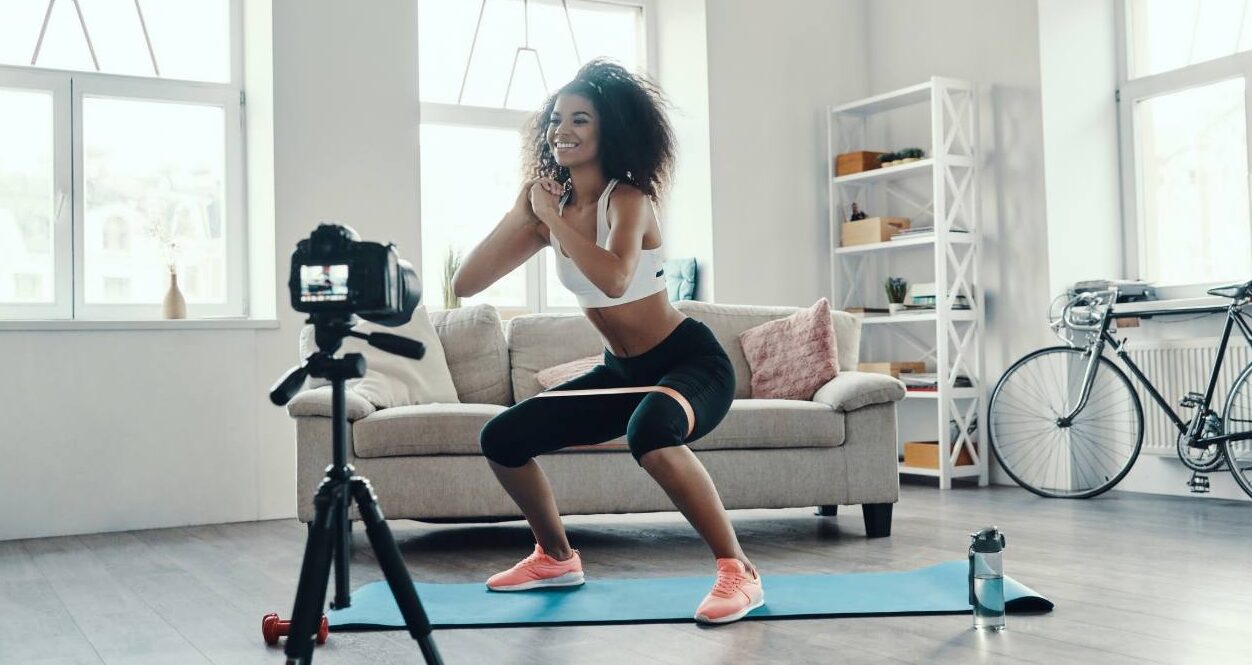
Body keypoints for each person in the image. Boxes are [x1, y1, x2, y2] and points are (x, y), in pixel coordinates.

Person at [451, 59, 763, 625]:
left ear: (609, 130)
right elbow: (465, 283)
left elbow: (615, 278)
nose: (562, 130)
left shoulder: (629, 200)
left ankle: (739, 570)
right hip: (621, 373)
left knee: (651, 434)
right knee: (502, 438)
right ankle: (555, 557)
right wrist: (523, 213)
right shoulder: (550, 213)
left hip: (690, 363)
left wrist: (552, 221)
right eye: (556, 119)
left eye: (580, 119)